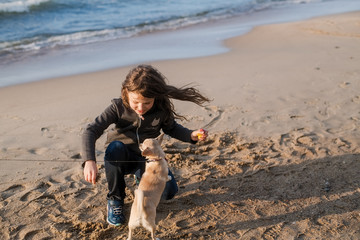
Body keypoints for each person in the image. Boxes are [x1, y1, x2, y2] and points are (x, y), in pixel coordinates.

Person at [81, 64, 210, 226]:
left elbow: (172, 128)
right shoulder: (118, 107)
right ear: (126, 93)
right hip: (120, 157)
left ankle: (140, 177)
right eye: (136, 102)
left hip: (147, 159)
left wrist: (191, 135)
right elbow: (91, 130)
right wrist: (89, 161)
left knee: (169, 192)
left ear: (155, 98)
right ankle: (115, 199)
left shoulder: (161, 109)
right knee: (115, 148)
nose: (141, 108)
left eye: (147, 103)